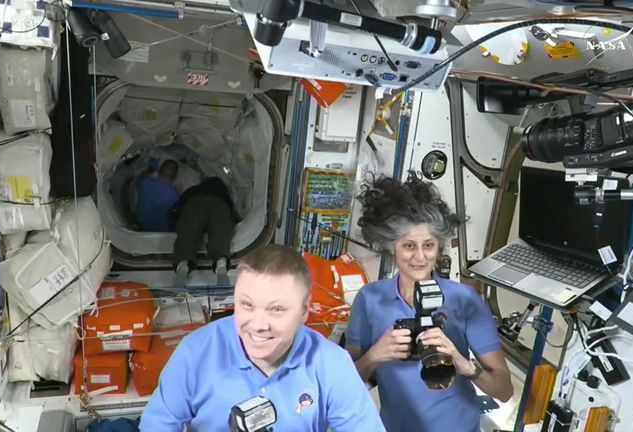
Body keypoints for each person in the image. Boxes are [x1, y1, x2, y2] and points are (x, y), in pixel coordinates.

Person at [139, 244, 386, 432]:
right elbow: (158, 424)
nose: (257, 325)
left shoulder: (331, 363)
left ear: (304, 312)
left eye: (276, 309)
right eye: (247, 305)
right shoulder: (196, 352)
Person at [346, 171, 513, 432]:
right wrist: (376, 356)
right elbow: (346, 385)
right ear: (391, 247)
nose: (420, 257)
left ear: (439, 247)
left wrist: (464, 365)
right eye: (409, 246)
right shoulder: (370, 299)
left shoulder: (465, 299)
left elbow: (503, 390)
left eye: (429, 245)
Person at [172, 176, 239, 287]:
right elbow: (232, 219)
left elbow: (178, 210)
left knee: (188, 233)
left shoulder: (193, 192)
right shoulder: (223, 197)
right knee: (220, 235)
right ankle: (221, 263)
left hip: (195, 204)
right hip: (220, 206)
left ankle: (183, 264)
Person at [135, 159, 180, 232]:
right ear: (175, 175)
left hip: (142, 229)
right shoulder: (174, 195)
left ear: (159, 171)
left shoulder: (144, 183)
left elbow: (147, 173)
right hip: (163, 232)